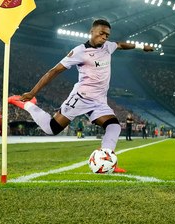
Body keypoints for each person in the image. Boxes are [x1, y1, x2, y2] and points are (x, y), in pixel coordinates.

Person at [8, 18, 154, 173]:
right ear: (92, 32)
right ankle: (27, 104)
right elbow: (54, 71)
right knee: (51, 129)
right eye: (101, 33)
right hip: (80, 98)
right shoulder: (80, 51)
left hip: (99, 101)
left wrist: (141, 46)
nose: (105, 37)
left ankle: (107, 162)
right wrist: (32, 93)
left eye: (107, 35)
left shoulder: (107, 47)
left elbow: (120, 44)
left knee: (113, 127)